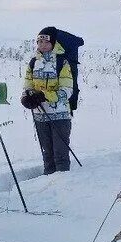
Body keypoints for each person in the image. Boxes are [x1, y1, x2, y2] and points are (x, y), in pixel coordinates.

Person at [22, 27, 74, 174]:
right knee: (47, 154)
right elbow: (28, 84)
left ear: (53, 43)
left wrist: (44, 95)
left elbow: (66, 90)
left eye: (46, 41)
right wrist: (27, 97)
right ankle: (48, 184)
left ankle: (63, 183)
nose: (42, 45)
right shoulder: (33, 62)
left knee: (60, 154)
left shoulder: (62, 62)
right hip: (40, 115)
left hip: (60, 115)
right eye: (39, 41)